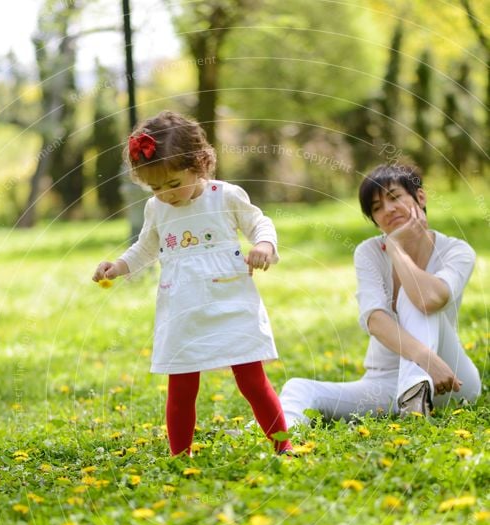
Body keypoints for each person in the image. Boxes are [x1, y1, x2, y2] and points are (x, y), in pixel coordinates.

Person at [92, 110, 292, 456]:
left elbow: (260, 223)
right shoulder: (157, 209)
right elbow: (145, 249)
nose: (165, 194)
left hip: (230, 299)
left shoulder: (225, 196)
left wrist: (263, 245)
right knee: (182, 385)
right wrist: (118, 267)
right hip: (182, 305)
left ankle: (283, 447)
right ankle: (178, 455)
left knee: (251, 380)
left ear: (198, 164)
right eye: (155, 187)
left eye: (172, 184)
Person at [280, 162, 481, 424]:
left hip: (449, 377)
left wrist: (397, 250)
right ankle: (271, 435)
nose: (387, 210)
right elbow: (374, 319)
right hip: (385, 381)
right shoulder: (369, 252)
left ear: (420, 197)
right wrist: (422, 356)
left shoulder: (456, 250)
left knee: (414, 292)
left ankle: (415, 389)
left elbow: (430, 299)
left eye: (394, 197)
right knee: (299, 387)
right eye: (376, 208)